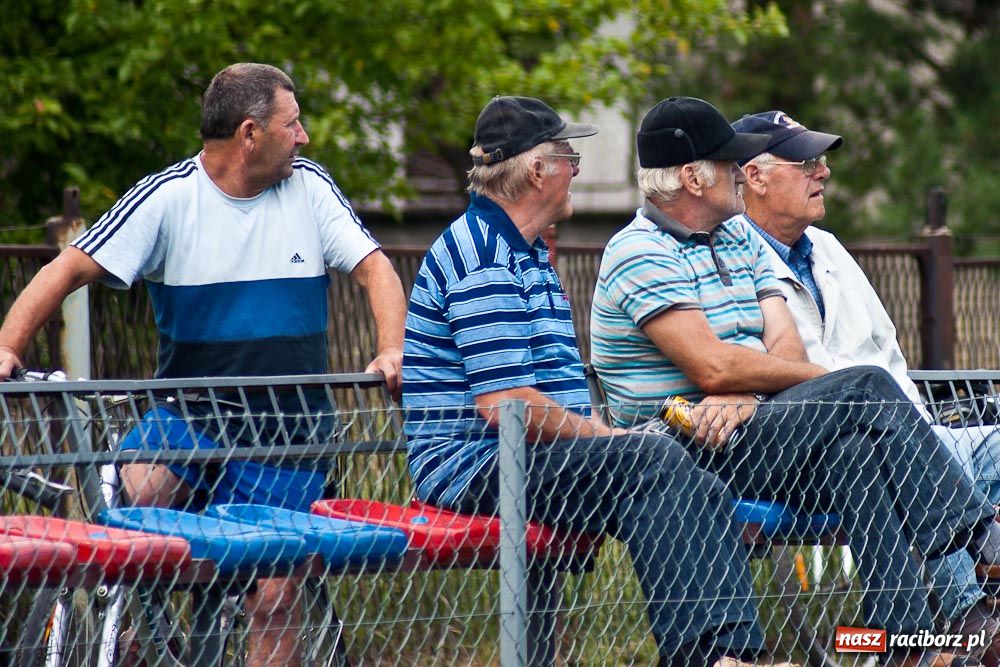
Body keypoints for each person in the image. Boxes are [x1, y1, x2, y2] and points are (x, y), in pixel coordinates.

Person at [0, 63, 407, 667]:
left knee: (274, 593)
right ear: (250, 133)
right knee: (129, 499)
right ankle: (138, 635)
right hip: (189, 416)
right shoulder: (167, 198)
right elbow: (66, 269)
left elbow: (376, 269)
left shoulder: (311, 187)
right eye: (293, 124)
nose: (304, 136)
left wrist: (392, 348)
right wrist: (7, 348)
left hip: (288, 433)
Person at [590, 95, 1000, 666]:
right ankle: (978, 538)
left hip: (750, 428)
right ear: (691, 177)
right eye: (729, 163)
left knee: (855, 451)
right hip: (680, 448)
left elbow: (782, 344)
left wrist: (749, 388)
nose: (739, 173)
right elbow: (710, 366)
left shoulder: (737, 238)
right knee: (863, 386)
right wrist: (779, 380)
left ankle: (904, 642)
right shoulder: (638, 251)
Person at [402, 95, 770, 666]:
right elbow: (506, 404)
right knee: (651, 459)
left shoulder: (523, 249)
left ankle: (728, 654)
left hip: (526, 458)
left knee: (681, 470)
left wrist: (611, 440)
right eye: (569, 158)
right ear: (536, 170)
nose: (576, 170)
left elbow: (546, 399)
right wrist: (609, 438)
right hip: (473, 468)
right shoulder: (483, 255)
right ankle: (715, 656)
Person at [732, 109, 1000, 649]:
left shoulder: (829, 247)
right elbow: (750, 376)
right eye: (805, 163)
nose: (823, 171)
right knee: (898, 457)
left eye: (820, 161)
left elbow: (889, 353)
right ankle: (970, 617)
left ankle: (982, 609)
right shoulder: (729, 257)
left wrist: (919, 432)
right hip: (813, 453)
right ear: (755, 176)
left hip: (908, 431)